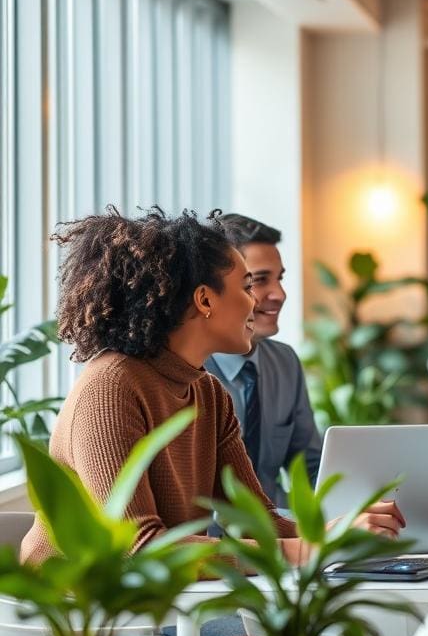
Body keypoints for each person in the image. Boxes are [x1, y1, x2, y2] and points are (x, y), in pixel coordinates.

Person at [20, 207, 301, 564]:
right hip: (76, 608)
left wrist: (342, 534)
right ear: (204, 300)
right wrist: (296, 552)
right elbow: (139, 548)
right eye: (247, 287)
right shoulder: (111, 387)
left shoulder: (209, 394)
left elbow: (257, 523)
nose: (256, 301)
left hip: (159, 605)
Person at [205, 214, 401, 537]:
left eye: (279, 278)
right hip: (210, 550)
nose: (279, 294)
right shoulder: (190, 373)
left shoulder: (284, 363)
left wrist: (358, 510)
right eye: (258, 280)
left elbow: (312, 469)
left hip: (280, 538)